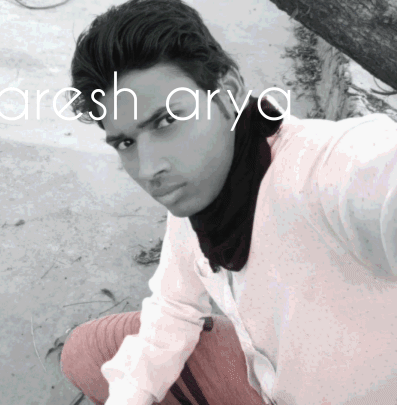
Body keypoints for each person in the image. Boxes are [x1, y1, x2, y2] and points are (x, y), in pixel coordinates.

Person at [60, 0, 397, 404]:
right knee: (87, 352)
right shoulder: (196, 188)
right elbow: (174, 306)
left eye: (166, 121)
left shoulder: (327, 170)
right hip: (268, 387)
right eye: (126, 143)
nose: (149, 169)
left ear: (229, 92)